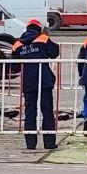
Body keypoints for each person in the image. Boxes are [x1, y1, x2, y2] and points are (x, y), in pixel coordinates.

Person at [11, 18, 60, 150]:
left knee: (30, 112)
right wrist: (46, 35)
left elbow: (14, 68)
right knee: (48, 112)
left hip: (29, 82)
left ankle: (30, 144)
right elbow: (55, 52)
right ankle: (49, 143)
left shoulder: (18, 44)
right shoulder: (43, 39)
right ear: (39, 29)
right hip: (44, 81)